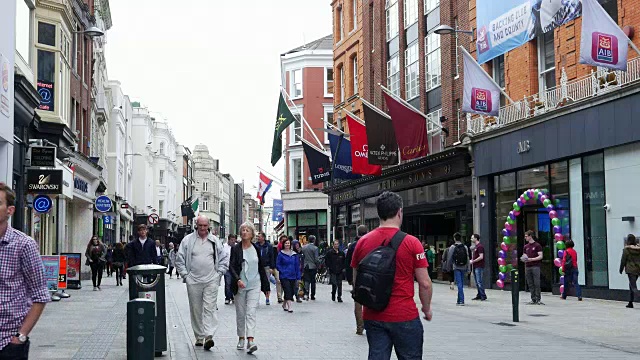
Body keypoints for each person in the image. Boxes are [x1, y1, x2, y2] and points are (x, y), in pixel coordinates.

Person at [351, 191, 432, 360]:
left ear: (378, 212)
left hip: (373, 314)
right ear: (399, 212)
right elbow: (424, 283)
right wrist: (426, 308)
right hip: (404, 314)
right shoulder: (412, 243)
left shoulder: (363, 242)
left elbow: (356, 280)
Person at [0, 184, 50, 359]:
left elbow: (40, 294)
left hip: (7, 342)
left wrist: (21, 336)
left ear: (10, 210)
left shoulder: (24, 245)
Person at [175, 216, 229, 351]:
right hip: (193, 280)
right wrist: (185, 276)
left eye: (205, 226)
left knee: (209, 308)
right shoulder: (187, 240)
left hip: (211, 279)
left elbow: (223, 258)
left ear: (209, 226)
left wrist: (219, 274)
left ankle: (209, 335)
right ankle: (199, 336)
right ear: (196, 225)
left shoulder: (215, 241)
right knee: (196, 309)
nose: (203, 229)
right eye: (200, 226)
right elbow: (179, 259)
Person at [229, 222, 269, 354]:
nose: (245, 232)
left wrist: (266, 286)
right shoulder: (236, 249)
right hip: (240, 284)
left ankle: (250, 340)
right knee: (241, 313)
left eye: (247, 230)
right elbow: (232, 266)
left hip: (254, 284)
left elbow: (261, 267)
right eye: (243, 230)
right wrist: (237, 279)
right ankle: (241, 337)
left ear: (252, 234)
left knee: (251, 312)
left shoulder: (256, 248)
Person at [346, 224, 368, 335]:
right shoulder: (372, 243)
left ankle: (360, 326)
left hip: (357, 276)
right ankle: (370, 324)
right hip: (370, 276)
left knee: (358, 303)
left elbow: (349, 263)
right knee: (370, 301)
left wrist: (350, 278)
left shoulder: (353, 246)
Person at [276, 238, 301, 313]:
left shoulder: (294, 254)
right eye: (286, 243)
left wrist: (298, 276)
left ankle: (284, 304)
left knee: (292, 291)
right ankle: (290, 306)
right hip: (284, 276)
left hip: (293, 275)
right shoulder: (281, 254)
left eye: (288, 243)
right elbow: (278, 264)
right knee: (287, 290)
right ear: (283, 244)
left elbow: (297, 266)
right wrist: (282, 271)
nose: (287, 244)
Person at [446, 233, 470, 306]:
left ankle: (461, 300)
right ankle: (459, 300)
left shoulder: (452, 247)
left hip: (456, 267)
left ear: (454, 238)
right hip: (464, 266)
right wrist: (468, 268)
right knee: (461, 283)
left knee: (459, 284)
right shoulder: (465, 247)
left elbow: (449, 258)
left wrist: (448, 267)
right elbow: (468, 258)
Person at [522, 230, 544, 305]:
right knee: (530, 283)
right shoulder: (526, 246)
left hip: (535, 266)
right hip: (528, 266)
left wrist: (532, 259)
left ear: (530, 236)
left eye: (526, 236)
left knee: (536, 283)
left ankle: (538, 298)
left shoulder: (537, 245)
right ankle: (533, 298)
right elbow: (524, 255)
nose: (525, 238)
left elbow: (540, 256)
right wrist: (523, 259)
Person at [619, 234, 640, 308]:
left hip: (631, 270)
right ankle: (630, 303)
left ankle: (632, 301)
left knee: (633, 287)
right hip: (638, 270)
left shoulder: (626, 250)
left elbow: (623, 260)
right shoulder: (638, 249)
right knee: (631, 286)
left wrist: (620, 269)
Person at [255, 231, 275, 305]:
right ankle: (256, 299)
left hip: (266, 266)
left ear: (263, 238)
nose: (258, 238)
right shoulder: (256, 245)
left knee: (267, 283)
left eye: (259, 236)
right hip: (257, 267)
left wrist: (271, 267)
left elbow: (271, 257)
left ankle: (267, 298)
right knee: (257, 283)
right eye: (257, 236)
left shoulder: (268, 246)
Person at [301, 235, 320, 300]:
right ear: (314, 240)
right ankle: (312, 295)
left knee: (306, 280)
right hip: (313, 266)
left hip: (306, 266)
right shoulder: (315, 248)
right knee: (313, 281)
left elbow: (302, 257)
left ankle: (306, 293)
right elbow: (316, 259)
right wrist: (318, 265)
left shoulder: (303, 247)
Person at [470, 234, 487, 301]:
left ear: (476, 238)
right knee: (477, 282)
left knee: (479, 281)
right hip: (476, 266)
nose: (471, 239)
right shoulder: (476, 247)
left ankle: (483, 295)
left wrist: (473, 261)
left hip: (479, 266)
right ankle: (479, 294)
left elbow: (481, 257)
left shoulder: (480, 247)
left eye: (472, 238)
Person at [273, 234, 287, 303]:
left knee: (284, 281)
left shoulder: (288, 249)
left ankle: (284, 295)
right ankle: (279, 297)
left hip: (285, 267)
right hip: (277, 267)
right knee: (278, 281)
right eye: (282, 240)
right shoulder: (276, 248)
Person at [224, 234, 237, 304]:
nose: (233, 241)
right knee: (228, 283)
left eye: (234, 240)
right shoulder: (224, 247)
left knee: (233, 283)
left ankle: (233, 296)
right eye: (231, 240)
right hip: (227, 268)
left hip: (235, 268)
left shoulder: (237, 247)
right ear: (228, 240)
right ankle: (227, 297)